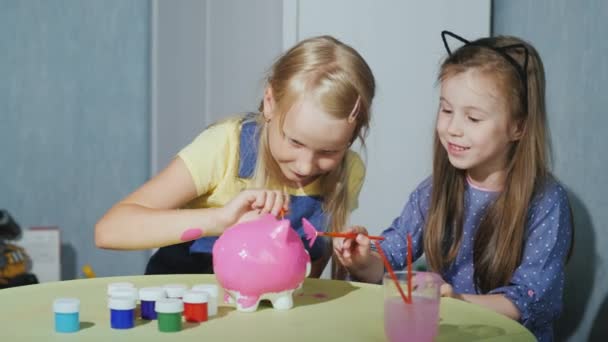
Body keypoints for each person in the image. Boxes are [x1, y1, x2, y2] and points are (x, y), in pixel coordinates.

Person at [333, 31, 573, 341]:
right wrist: (362, 259)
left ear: (518, 126)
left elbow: (532, 298)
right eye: (446, 110)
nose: (453, 128)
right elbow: (388, 260)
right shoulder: (434, 190)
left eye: (473, 118)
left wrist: (456, 302)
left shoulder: (546, 202)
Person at [95, 35, 376, 278]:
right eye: (294, 142)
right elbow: (109, 231)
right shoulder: (225, 147)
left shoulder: (348, 172)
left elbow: (310, 267)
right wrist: (220, 220)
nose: (306, 166)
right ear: (270, 103)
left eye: (329, 152)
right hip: (183, 310)